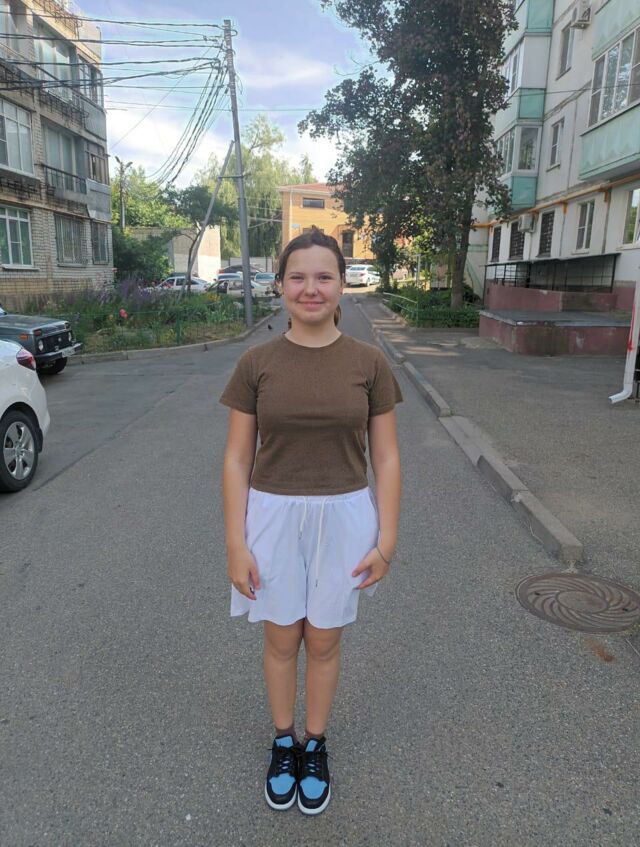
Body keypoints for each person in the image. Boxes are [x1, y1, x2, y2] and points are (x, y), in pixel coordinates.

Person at [219, 228, 402, 815]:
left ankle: (315, 744)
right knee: (280, 638)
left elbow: (387, 458)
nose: (311, 288)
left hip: (344, 516)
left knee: (323, 640)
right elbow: (237, 459)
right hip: (272, 516)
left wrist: (387, 540)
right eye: (297, 277)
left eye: (324, 276)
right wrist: (236, 543)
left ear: (343, 284)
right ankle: (283, 742)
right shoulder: (256, 364)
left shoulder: (370, 364)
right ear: (279, 285)